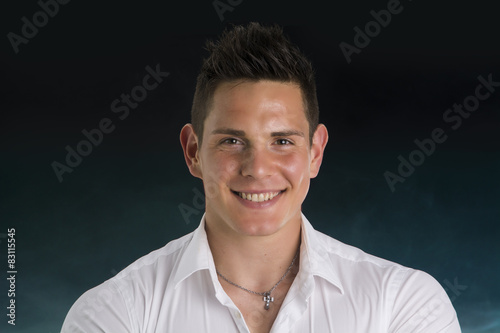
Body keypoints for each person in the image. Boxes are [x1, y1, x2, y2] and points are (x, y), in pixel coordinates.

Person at [61, 22, 461, 333]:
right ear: (193, 151)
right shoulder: (115, 314)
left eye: (282, 141)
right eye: (233, 140)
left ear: (315, 153)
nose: (257, 168)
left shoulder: (402, 304)